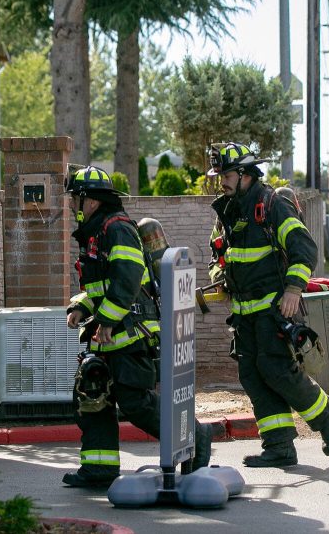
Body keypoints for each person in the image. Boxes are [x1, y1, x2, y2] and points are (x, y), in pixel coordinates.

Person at [63, 165, 212, 487]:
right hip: (108, 333)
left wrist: (106, 319)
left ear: (89, 200)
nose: (71, 205)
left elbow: (129, 280)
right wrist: (81, 306)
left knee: (135, 403)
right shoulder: (95, 233)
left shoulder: (117, 229)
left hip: (130, 333)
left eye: (74, 198)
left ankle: (195, 436)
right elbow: (102, 288)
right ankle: (99, 470)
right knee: (94, 398)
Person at [208, 143, 329, 468]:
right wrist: (220, 275)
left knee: (277, 371)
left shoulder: (271, 204)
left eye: (225, 175)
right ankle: (279, 446)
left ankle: (326, 416)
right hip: (243, 316)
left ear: (244, 174)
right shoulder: (227, 210)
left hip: (273, 310)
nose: (221, 181)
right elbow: (217, 255)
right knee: (254, 376)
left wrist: (294, 289)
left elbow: (303, 246)